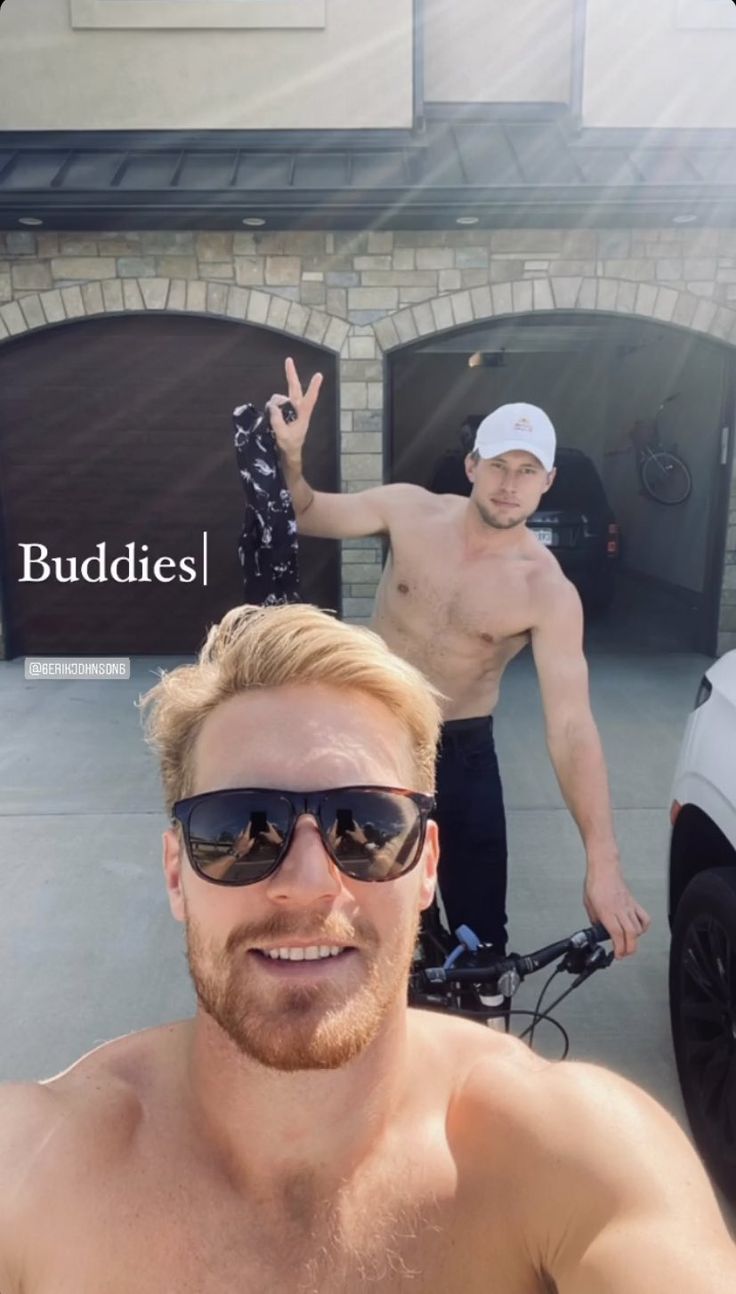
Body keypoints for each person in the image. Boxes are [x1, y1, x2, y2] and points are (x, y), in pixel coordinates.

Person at [0, 602, 732, 1293]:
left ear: (427, 866)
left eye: (368, 827)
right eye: (239, 828)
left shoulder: (578, 1153)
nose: (310, 883)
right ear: (174, 872)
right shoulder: (34, 1163)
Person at [267, 358, 651, 960]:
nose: (508, 483)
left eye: (526, 471)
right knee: (370, 921)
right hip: (374, 735)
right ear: (472, 465)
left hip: (462, 750)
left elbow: (572, 727)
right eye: (497, 464)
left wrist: (604, 866)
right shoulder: (409, 511)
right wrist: (290, 458)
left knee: (480, 947)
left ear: (546, 481)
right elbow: (306, 510)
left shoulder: (547, 592)